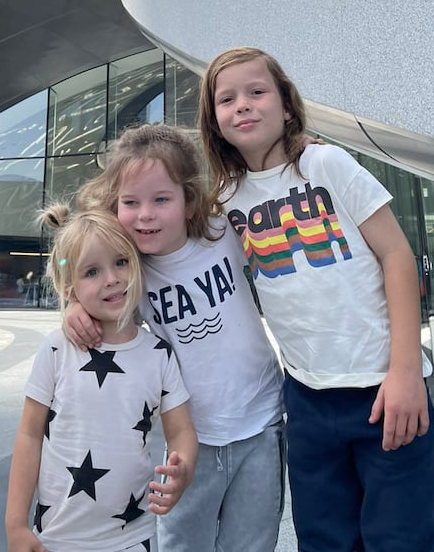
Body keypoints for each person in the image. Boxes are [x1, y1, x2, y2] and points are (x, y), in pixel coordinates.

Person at [199, 46, 434, 552]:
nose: (242, 104)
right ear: (215, 121)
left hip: (384, 388)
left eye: (256, 91)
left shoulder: (325, 163)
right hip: (306, 399)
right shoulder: (224, 202)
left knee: (402, 538)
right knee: (324, 539)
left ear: (287, 106)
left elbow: (397, 256)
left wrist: (404, 373)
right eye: (227, 99)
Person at [67, 124, 286, 552]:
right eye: (130, 203)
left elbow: (269, 195)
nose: (145, 214)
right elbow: (77, 263)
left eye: (161, 199)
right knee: (182, 544)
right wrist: (75, 305)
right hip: (189, 443)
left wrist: (298, 154)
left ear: (189, 201)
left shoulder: (222, 233)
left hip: (262, 425)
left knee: (253, 544)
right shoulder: (131, 272)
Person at [5, 203, 197, 552]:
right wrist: (16, 525)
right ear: (68, 287)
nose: (111, 279)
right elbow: (29, 434)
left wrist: (183, 468)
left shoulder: (159, 354)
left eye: (121, 262)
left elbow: (181, 429)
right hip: (57, 538)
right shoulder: (57, 349)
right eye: (91, 272)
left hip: (134, 537)